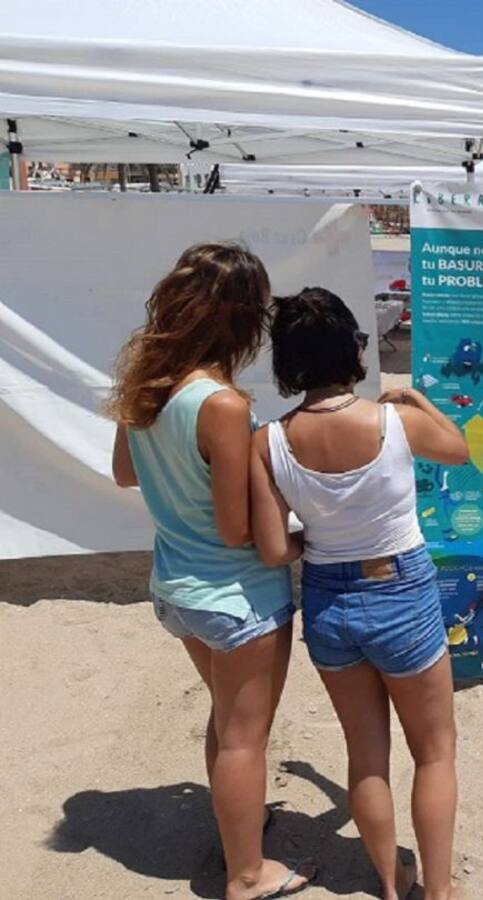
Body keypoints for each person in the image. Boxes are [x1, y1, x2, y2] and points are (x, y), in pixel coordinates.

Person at [249, 288, 469, 900]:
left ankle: (390, 887)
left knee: (366, 756)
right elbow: (459, 448)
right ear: (352, 348)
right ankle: (441, 891)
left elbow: (273, 548)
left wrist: (314, 548)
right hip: (401, 589)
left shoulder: (267, 441)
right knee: (434, 754)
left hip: (327, 598)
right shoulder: (395, 420)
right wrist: (421, 398)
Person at [107, 243, 312, 900]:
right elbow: (236, 528)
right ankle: (248, 874)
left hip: (178, 585)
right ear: (241, 319)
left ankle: (239, 830)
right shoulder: (221, 404)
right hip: (238, 594)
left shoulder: (150, 380)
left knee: (228, 724)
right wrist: (296, 523)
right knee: (244, 738)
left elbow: (124, 473)